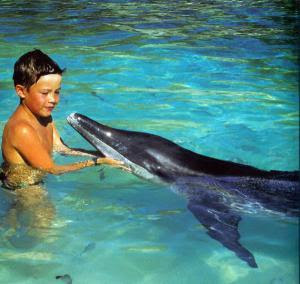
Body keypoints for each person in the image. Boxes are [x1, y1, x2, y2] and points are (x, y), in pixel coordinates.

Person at [0, 49, 124, 246]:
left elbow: (62, 149)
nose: (53, 99)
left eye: (57, 92)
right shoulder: (21, 129)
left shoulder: (44, 116)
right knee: (45, 233)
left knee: (17, 224)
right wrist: (96, 161)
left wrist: (102, 153)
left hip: (33, 180)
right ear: (21, 91)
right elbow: (53, 169)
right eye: (45, 93)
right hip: (25, 188)